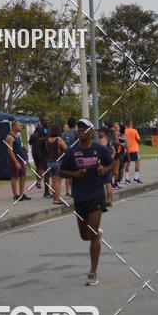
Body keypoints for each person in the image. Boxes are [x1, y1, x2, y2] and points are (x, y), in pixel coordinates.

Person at [59, 118, 113, 285]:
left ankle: (93, 272)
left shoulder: (100, 149)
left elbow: (111, 164)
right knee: (85, 236)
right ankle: (96, 233)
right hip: (80, 196)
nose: (81, 130)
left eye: (85, 128)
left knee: (93, 233)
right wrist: (75, 175)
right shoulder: (71, 152)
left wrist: (104, 170)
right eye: (79, 128)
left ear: (92, 131)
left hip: (96, 195)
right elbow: (61, 172)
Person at [6, 120, 30, 201]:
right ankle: (15, 195)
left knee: (23, 176)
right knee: (14, 177)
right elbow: (10, 151)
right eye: (19, 125)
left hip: (20, 159)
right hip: (14, 160)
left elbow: (18, 146)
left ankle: (21, 194)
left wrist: (24, 148)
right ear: (14, 126)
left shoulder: (18, 135)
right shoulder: (10, 137)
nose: (20, 127)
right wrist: (16, 162)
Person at [45, 126, 67, 203]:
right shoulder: (59, 139)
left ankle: (54, 198)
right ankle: (57, 198)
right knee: (58, 181)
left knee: (53, 180)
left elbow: (47, 150)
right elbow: (66, 149)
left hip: (49, 162)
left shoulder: (48, 140)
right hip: (57, 162)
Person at [28, 115, 49, 191]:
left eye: (48, 120)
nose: (47, 122)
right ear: (42, 122)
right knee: (43, 168)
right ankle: (42, 183)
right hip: (40, 152)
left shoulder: (34, 134)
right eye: (46, 120)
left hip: (35, 152)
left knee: (38, 166)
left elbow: (30, 143)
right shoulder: (44, 130)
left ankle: (39, 181)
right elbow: (44, 140)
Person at [61, 118, 79, 197]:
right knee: (73, 175)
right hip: (73, 156)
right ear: (75, 125)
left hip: (65, 155)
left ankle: (67, 191)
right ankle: (73, 192)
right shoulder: (76, 134)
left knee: (67, 174)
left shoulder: (63, 134)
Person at [97, 127, 114, 207]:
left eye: (99, 132)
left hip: (103, 164)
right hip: (109, 163)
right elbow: (114, 151)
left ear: (103, 132)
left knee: (102, 183)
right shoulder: (108, 140)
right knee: (108, 182)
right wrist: (111, 157)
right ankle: (109, 200)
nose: (98, 133)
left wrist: (99, 163)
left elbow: (102, 151)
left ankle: (104, 200)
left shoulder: (102, 140)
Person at [124, 119, 141, 184]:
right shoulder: (134, 131)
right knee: (137, 163)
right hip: (134, 149)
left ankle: (127, 179)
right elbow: (138, 139)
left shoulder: (124, 131)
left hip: (127, 150)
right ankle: (136, 178)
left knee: (127, 164)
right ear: (131, 123)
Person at [112, 123, 128, 188]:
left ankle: (116, 182)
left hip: (120, 152)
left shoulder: (119, 134)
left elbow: (123, 142)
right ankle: (115, 183)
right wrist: (123, 144)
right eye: (115, 127)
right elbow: (117, 142)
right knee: (116, 169)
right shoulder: (116, 134)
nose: (117, 128)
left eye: (117, 127)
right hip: (117, 152)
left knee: (118, 168)